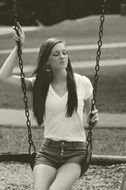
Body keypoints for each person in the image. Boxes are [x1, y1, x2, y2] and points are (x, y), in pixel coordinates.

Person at [0, 23, 98, 190]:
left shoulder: (83, 83)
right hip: (48, 151)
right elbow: (4, 76)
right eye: (56, 54)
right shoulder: (38, 85)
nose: (62, 56)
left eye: (64, 52)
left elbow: (91, 116)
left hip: (75, 153)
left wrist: (94, 118)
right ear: (47, 60)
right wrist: (19, 48)